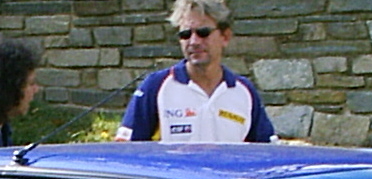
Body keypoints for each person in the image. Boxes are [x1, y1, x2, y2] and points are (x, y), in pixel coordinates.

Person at [114, 0, 275, 144]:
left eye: (203, 32)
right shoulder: (156, 86)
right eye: (185, 34)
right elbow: (127, 152)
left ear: (225, 37)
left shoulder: (244, 91)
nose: (194, 41)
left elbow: (268, 154)